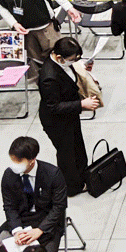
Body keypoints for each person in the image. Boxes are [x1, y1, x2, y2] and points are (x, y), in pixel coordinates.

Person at [0, 135, 68, 252]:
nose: (14, 164)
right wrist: (17, 230)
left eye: (18, 160)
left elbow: (59, 206)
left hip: (47, 222)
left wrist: (40, 230)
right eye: (12, 160)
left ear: (32, 160)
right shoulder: (9, 175)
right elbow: (9, 206)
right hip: (22, 220)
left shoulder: (53, 174)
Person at [38, 37, 96, 195]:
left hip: (69, 115)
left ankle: (83, 175)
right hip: (57, 122)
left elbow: (69, 72)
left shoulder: (61, 62)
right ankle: (72, 187)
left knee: (78, 148)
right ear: (59, 57)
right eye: (72, 59)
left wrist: (82, 68)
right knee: (67, 155)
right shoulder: (48, 78)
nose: (73, 61)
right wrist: (81, 105)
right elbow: (53, 106)